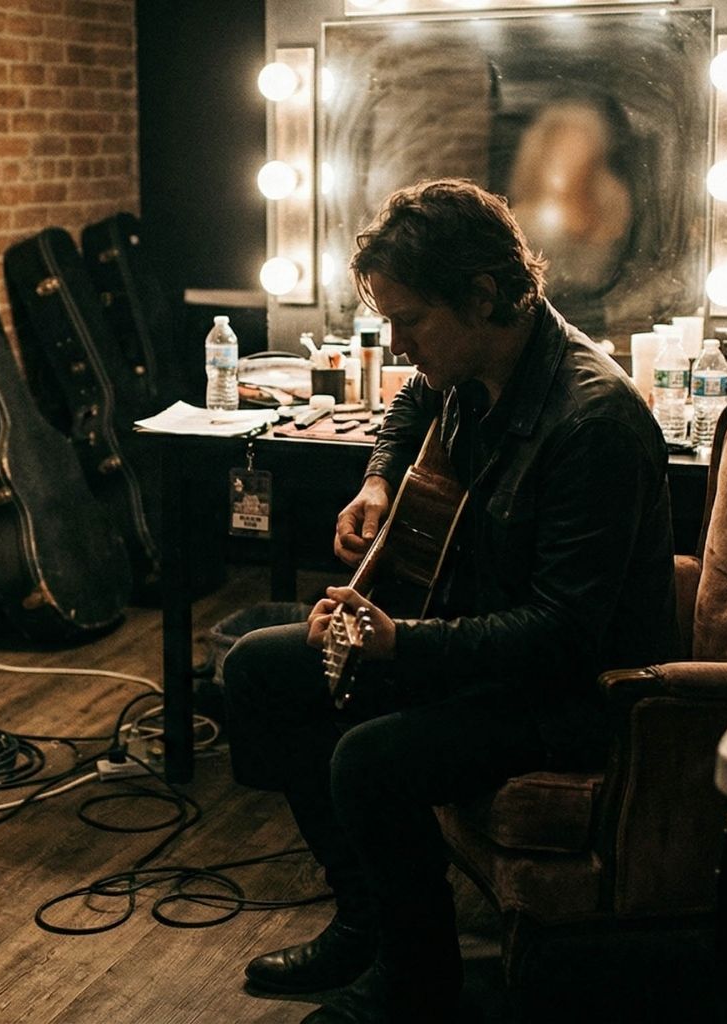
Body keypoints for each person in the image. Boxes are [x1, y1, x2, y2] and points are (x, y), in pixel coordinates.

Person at [223, 178, 678, 1024]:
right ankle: (365, 921)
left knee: (369, 759)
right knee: (256, 669)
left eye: (410, 322)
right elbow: (411, 402)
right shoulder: (477, 361)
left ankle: (417, 979)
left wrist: (402, 643)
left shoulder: (594, 423)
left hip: (575, 693)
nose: (397, 347)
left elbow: (563, 634)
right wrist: (377, 478)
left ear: (482, 296)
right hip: (479, 646)